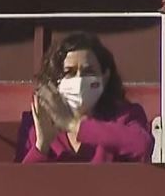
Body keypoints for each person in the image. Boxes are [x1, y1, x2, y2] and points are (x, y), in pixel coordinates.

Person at [15, 32, 153, 164]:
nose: (79, 79)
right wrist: (42, 146)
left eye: (88, 72)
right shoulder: (36, 122)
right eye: (69, 72)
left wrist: (73, 125)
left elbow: (142, 145)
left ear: (104, 77)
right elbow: (20, 183)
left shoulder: (125, 116)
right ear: (56, 80)